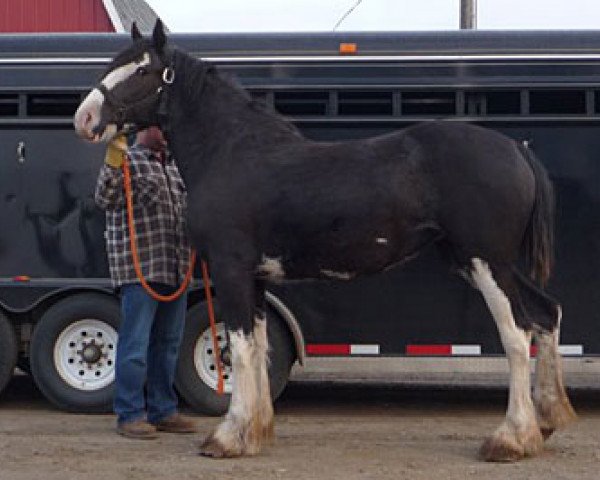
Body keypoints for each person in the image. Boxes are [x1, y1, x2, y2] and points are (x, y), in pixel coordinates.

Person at [95, 126, 197, 439]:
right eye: (159, 126)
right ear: (144, 130)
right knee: (136, 345)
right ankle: (129, 414)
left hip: (176, 269)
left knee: (168, 345)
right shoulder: (129, 161)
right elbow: (105, 196)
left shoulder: (174, 166)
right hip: (141, 270)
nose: (166, 131)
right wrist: (113, 159)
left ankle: (163, 410)